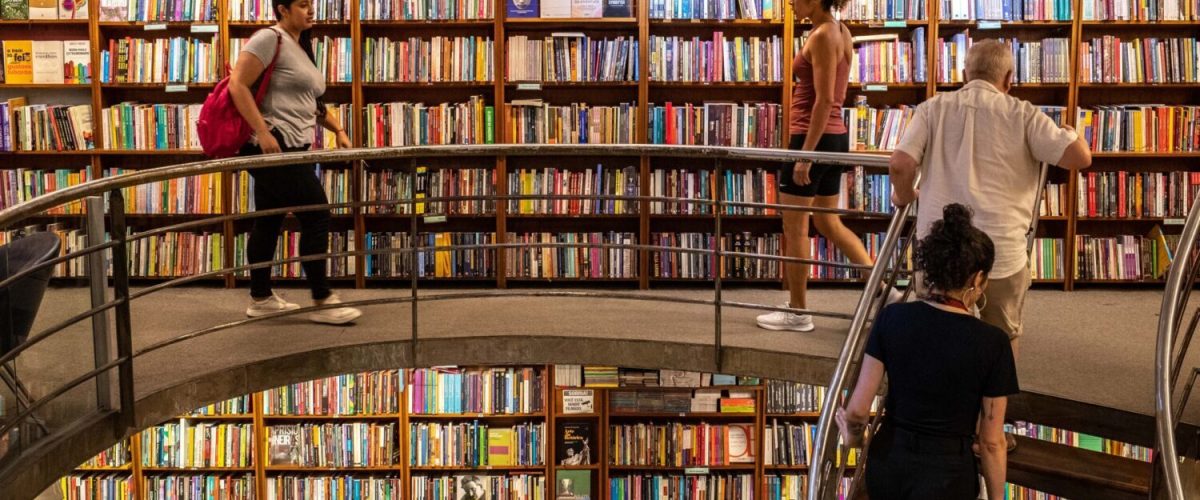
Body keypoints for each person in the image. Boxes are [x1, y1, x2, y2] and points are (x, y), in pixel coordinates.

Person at [889, 40, 1092, 358]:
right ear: (1009, 78)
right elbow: (1079, 158)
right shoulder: (1024, 114)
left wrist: (903, 197)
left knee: (935, 332)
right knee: (1003, 336)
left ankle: (942, 399)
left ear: (964, 74)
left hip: (940, 250)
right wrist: (1075, 136)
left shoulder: (932, 108)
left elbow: (900, 163)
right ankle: (995, 406)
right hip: (1001, 252)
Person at [836, 204, 1018, 500]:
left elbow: (857, 410)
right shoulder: (993, 343)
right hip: (949, 475)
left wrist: (854, 439)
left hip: (889, 464)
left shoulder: (892, 318)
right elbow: (992, 442)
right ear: (976, 279)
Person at [756, 0, 900, 332]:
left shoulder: (822, 35)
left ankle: (798, 312)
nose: (790, 3)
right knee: (828, 222)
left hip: (813, 139)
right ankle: (882, 289)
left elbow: (824, 99)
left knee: (795, 229)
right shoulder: (842, 31)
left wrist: (805, 154)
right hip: (834, 139)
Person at [229, 0, 362, 325]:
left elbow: (312, 103)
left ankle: (260, 298)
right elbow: (237, 84)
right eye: (303, 5)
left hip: (293, 147)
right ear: (283, 9)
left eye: (311, 5)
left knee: (270, 221)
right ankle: (322, 297)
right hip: (273, 146)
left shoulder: (301, 46)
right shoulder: (267, 38)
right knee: (317, 215)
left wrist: (339, 130)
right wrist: (262, 132)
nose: (311, 10)